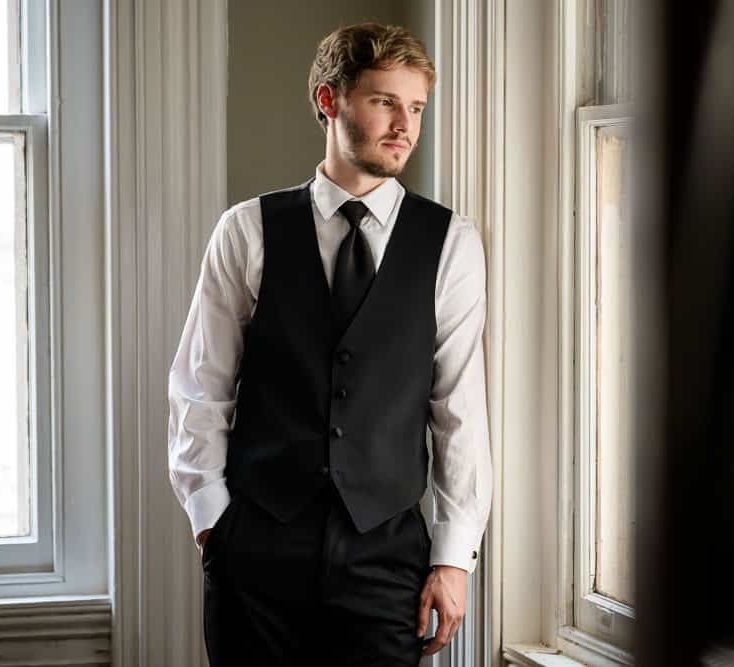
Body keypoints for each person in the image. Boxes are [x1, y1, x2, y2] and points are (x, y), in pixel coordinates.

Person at [167, 22, 492, 665]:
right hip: (257, 552)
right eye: (384, 102)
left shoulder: (451, 243)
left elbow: (460, 409)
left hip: (386, 555)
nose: (405, 125)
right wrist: (213, 522)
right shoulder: (248, 231)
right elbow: (201, 386)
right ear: (328, 101)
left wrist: (454, 559)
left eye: (417, 107)